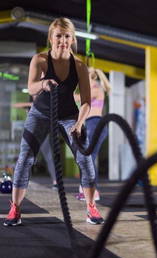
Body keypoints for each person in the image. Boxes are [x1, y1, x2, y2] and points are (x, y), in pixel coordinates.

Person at [3, 17, 104, 226]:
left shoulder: (79, 66)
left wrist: (79, 123)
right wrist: (43, 83)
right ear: (51, 38)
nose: (63, 41)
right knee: (25, 159)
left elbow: (86, 102)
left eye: (67, 36)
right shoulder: (39, 60)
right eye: (59, 36)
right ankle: (15, 209)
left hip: (69, 116)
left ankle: (91, 207)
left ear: (73, 39)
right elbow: (31, 88)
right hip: (40, 113)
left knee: (85, 159)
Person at [74, 67, 110, 202]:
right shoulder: (90, 88)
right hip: (90, 124)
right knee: (86, 158)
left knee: (89, 158)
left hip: (95, 124)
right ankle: (85, 191)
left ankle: (93, 192)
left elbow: (79, 98)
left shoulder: (95, 88)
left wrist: (63, 91)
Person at [13, 96, 58, 190]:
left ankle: (55, 182)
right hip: (32, 135)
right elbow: (15, 105)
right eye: (34, 94)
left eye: (37, 94)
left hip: (43, 134)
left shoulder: (45, 104)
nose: (35, 95)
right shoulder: (31, 105)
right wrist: (31, 105)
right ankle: (24, 182)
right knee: (27, 158)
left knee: (49, 157)